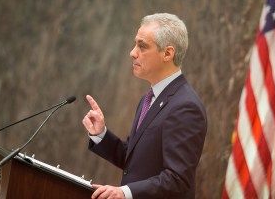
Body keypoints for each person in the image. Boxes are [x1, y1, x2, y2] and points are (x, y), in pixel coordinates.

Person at [82, 13, 207, 199]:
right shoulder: (149, 99)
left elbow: (178, 179)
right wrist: (101, 134)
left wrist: (125, 192)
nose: (132, 53)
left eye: (142, 46)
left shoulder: (186, 107)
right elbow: (135, 161)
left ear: (167, 53)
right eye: (135, 44)